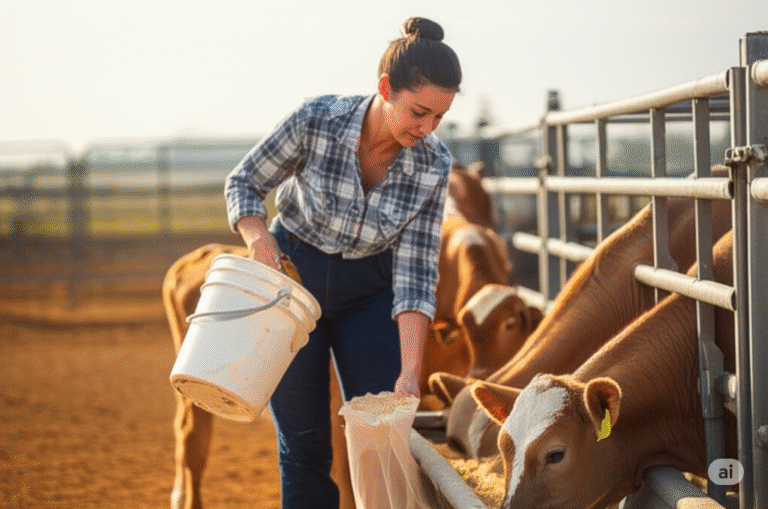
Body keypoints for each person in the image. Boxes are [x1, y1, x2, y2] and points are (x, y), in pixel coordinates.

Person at [224, 16, 462, 508]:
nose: (428, 129)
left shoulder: (434, 164)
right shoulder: (317, 119)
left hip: (371, 290)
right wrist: (259, 239)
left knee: (382, 437)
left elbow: (416, 273)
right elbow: (243, 181)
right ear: (385, 89)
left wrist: (410, 372)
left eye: (439, 118)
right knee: (304, 442)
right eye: (419, 112)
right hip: (294, 279)